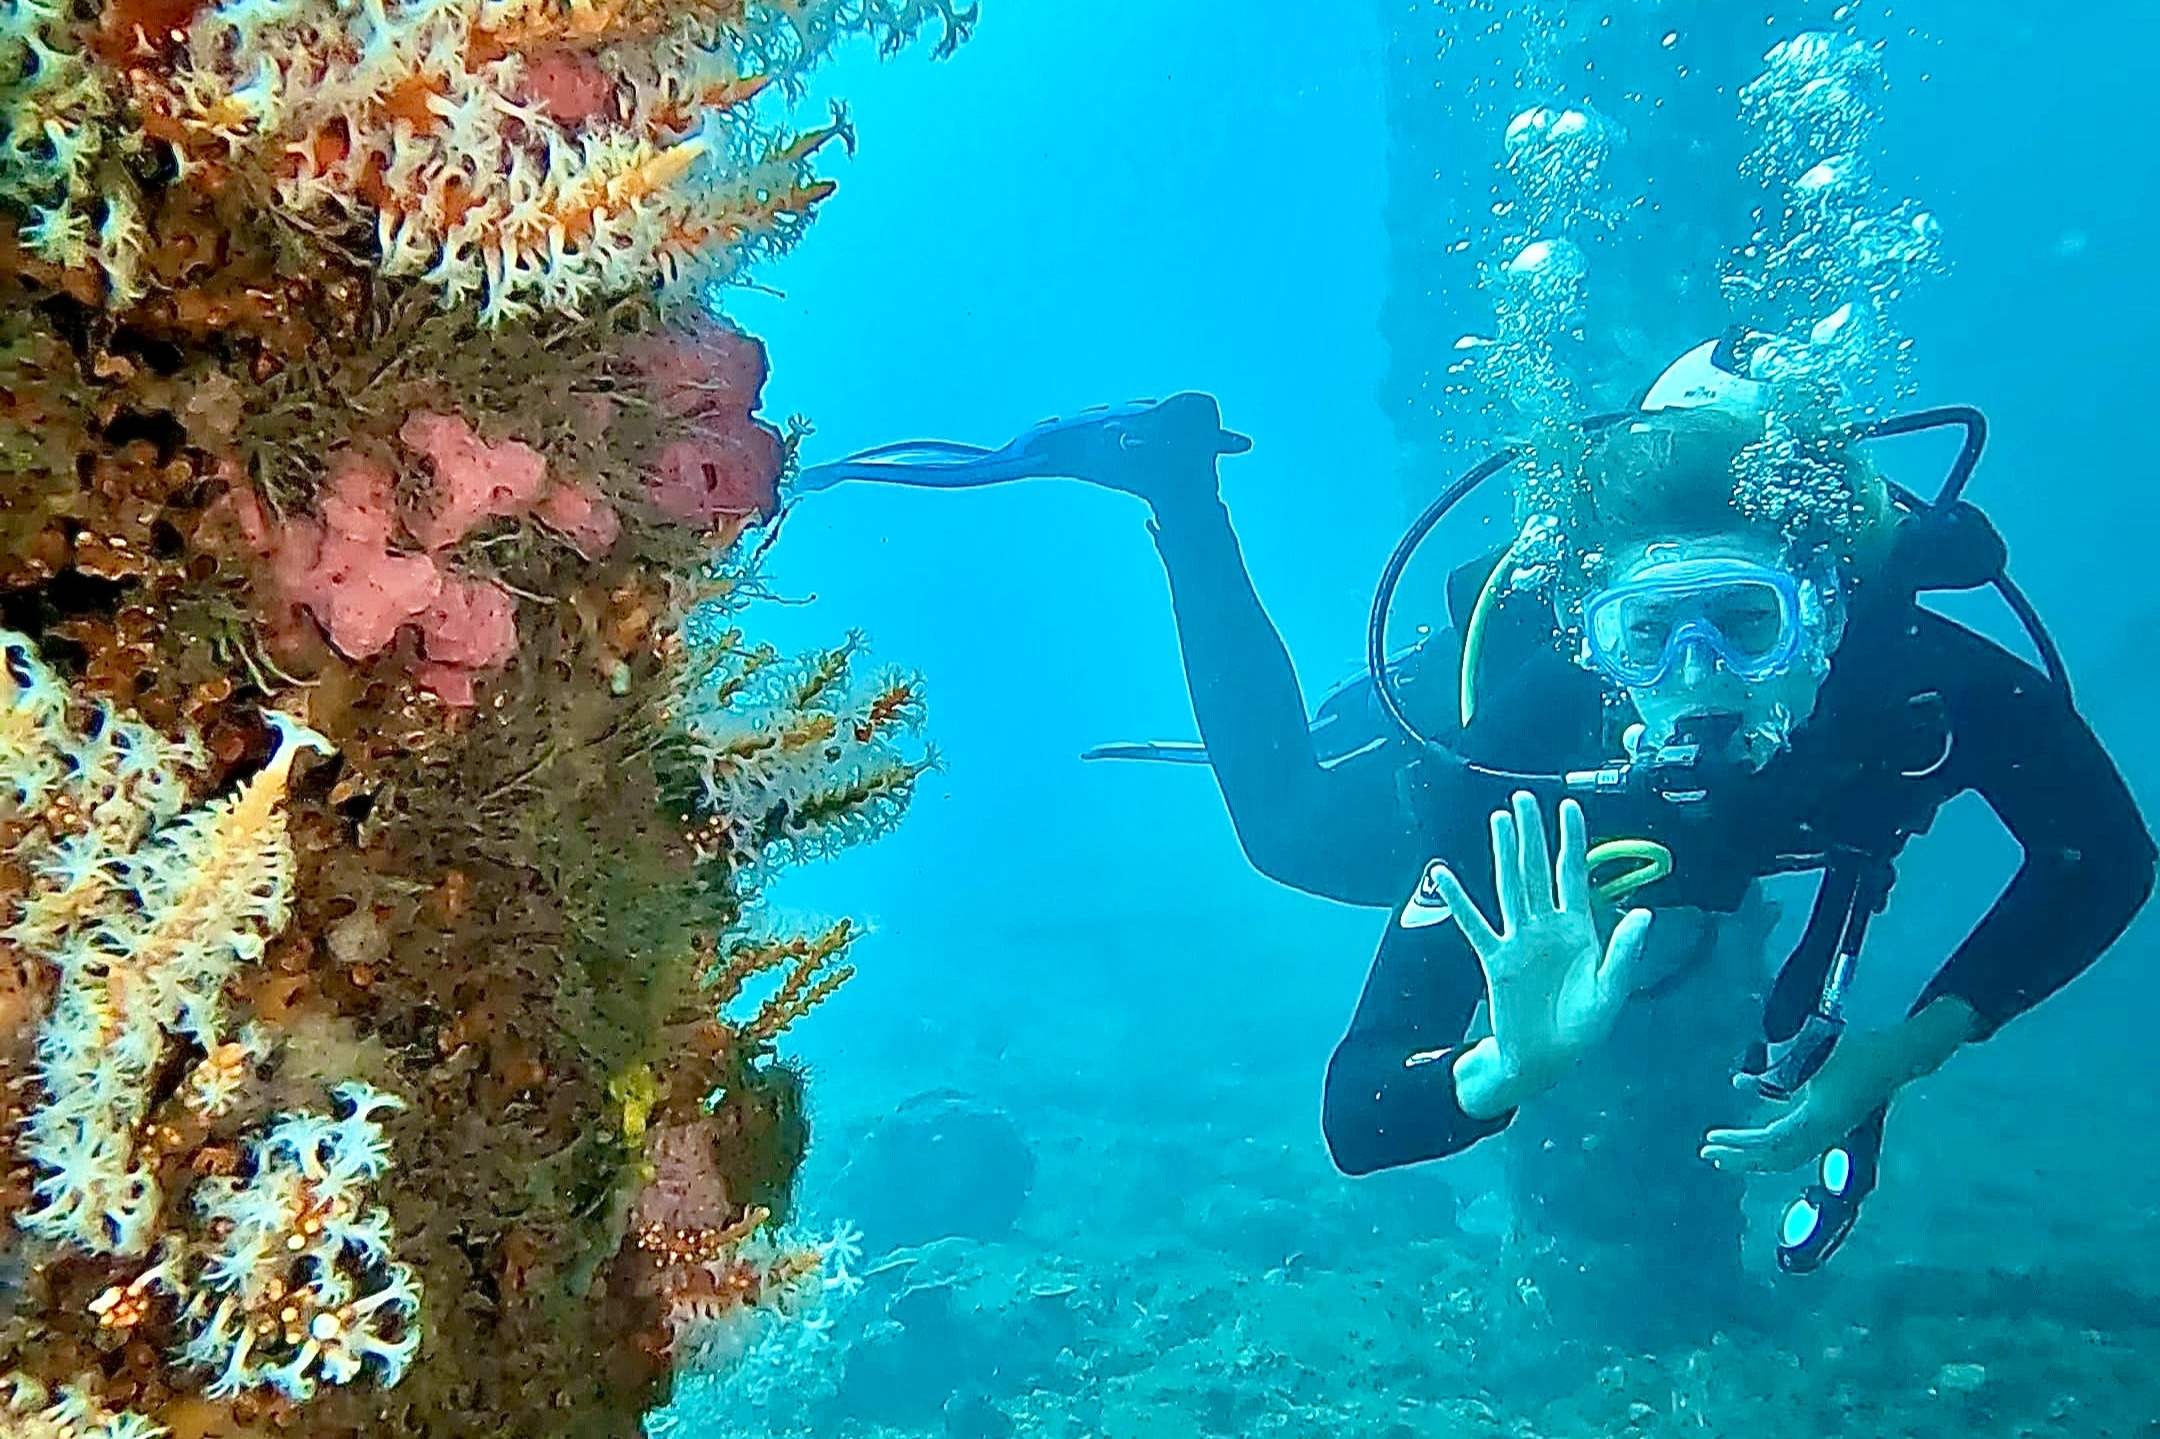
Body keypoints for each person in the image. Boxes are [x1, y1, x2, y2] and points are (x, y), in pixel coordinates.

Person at [1005, 347, 2156, 1329]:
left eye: (1748, 620)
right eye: (1647, 633)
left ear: (1825, 608)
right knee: (1290, 832)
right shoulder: (1531, 740)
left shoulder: (1925, 686)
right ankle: (1179, 487)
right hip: (1539, 752)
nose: (1700, 677)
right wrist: (1502, 1066)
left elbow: (2105, 861)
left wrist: (1901, 1051)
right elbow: (1357, 1111)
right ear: (1595, 639)